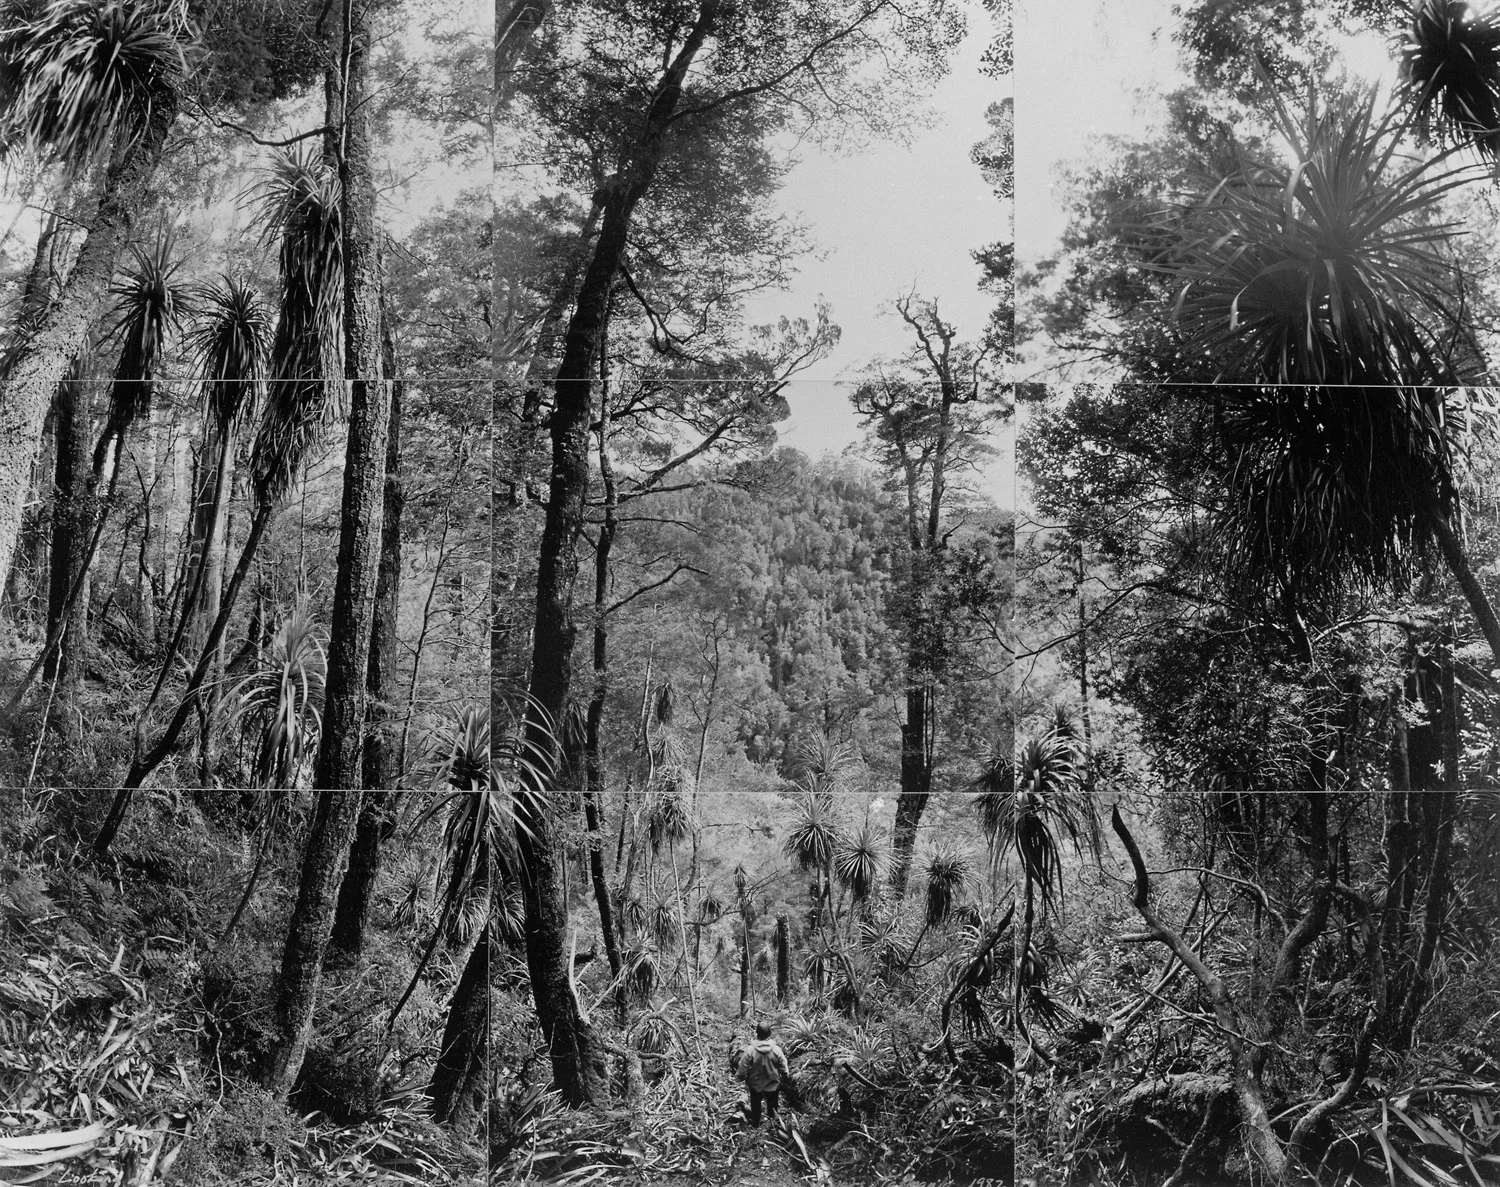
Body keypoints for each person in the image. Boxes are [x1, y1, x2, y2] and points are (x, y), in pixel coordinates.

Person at [731, 1021, 790, 1127]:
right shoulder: (776, 1050)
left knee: (756, 1108)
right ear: (769, 1035)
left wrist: (739, 1078)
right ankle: (773, 1126)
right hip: (773, 1085)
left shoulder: (750, 1050)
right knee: (772, 1109)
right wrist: (785, 1076)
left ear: (757, 1033)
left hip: (755, 1085)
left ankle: (756, 1125)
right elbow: (783, 1066)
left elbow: (742, 1067)